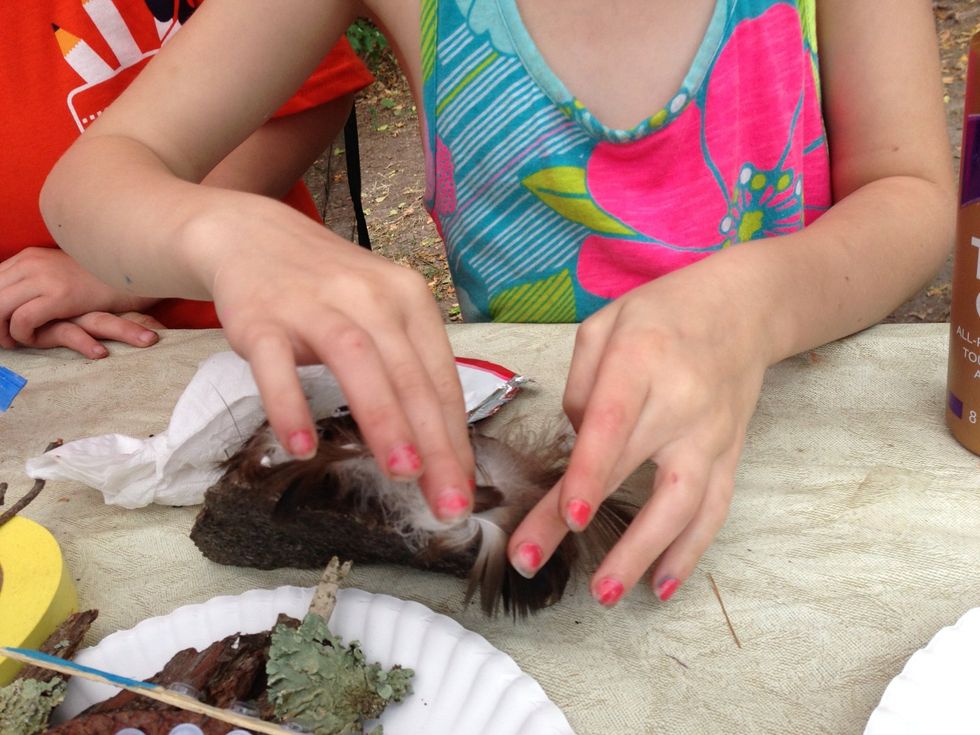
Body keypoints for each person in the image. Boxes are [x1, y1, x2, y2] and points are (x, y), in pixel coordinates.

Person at [39, 0, 955, 607]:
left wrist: (757, 304)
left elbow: (910, 191)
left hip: (821, 440)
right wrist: (221, 230)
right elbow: (91, 181)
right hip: (522, 483)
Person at [0, 0, 372, 359]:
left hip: (264, 324)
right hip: (44, 353)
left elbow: (311, 87)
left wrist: (120, 267)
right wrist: (20, 308)